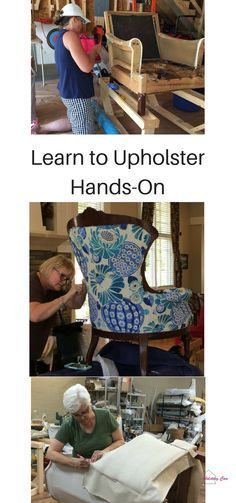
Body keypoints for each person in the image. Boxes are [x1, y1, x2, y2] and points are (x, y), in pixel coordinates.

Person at [30, 255, 86, 375]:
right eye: (62, 275)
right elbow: (35, 315)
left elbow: (76, 304)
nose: (64, 281)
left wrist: (84, 287)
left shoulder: (54, 289)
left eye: (67, 279)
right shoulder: (31, 283)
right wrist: (67, 295)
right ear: (50, 268)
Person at [51, 3, 102, 134]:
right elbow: (87, 67)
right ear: (74, 19)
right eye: (82, 21)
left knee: (74, 121)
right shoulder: (71, 36)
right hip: (76, 93)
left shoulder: (61, 35)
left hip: (68, 89)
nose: (83, 25)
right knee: (84, 132)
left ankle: (41, 129)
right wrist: (94, 51)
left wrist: (89, 54)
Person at [47, 384, 125, 468]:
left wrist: (104, 452)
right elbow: (50, 453)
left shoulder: (105, 416)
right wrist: (72, 462)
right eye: (76, 415)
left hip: (106, 468)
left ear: (89, 404)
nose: (82, 418)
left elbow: (120, 441)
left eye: (84, 412)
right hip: (82, 471)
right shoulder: (69, 424)